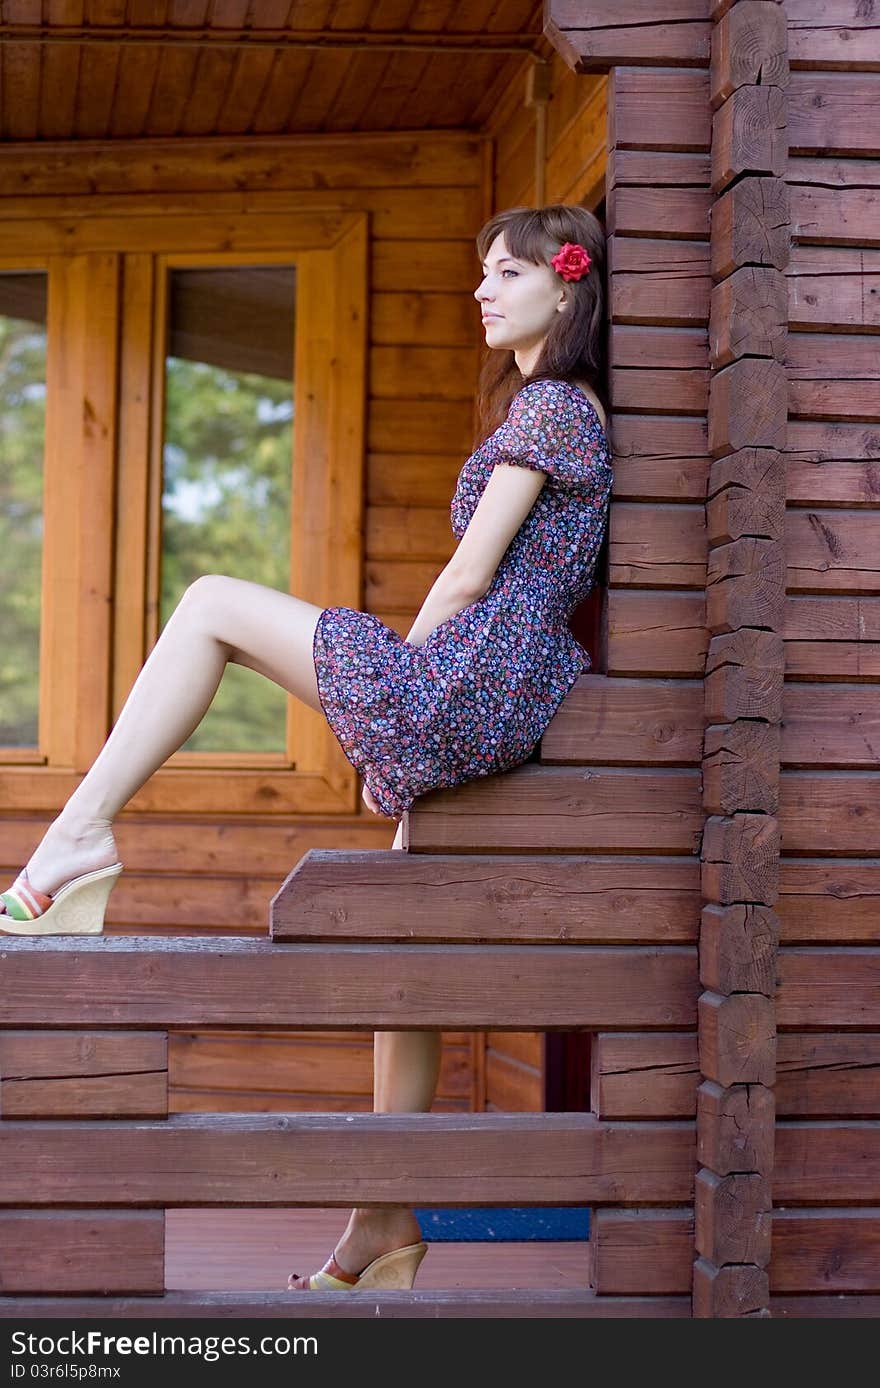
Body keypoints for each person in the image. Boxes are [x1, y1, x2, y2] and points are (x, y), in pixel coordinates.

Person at [0, 202, 613, 1293]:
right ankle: (381, 1220)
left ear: (567, 288)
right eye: (481, 270)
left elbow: (470, 575)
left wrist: (397, 671)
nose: (483, 288)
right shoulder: (549, 408)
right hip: (508, 693)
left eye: (509, 271)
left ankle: (78, 836)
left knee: (204, 602)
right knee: (403, 957)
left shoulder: (557, 406)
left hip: (471, 679)